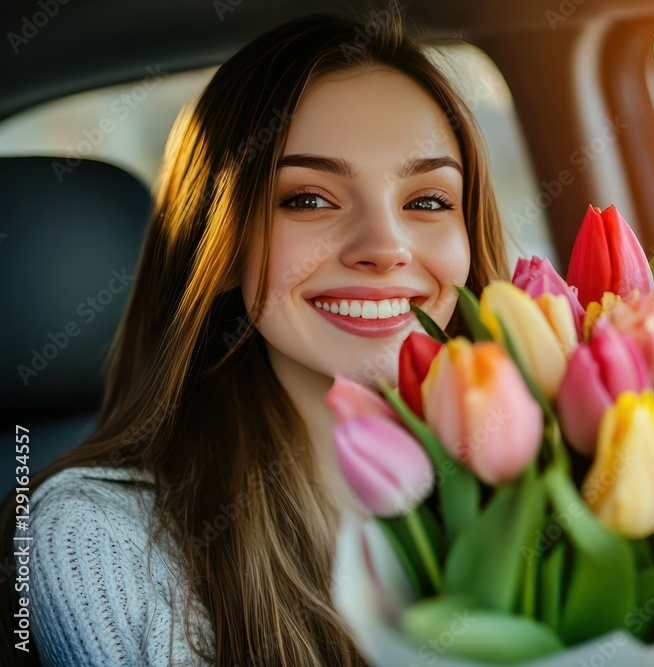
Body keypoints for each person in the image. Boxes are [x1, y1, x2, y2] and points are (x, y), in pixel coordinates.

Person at [0, 10, 509, 666]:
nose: (385, 248)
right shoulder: (99, 534)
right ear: (225, 242)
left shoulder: (542, 470)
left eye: (430, 201)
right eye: (308, 198)